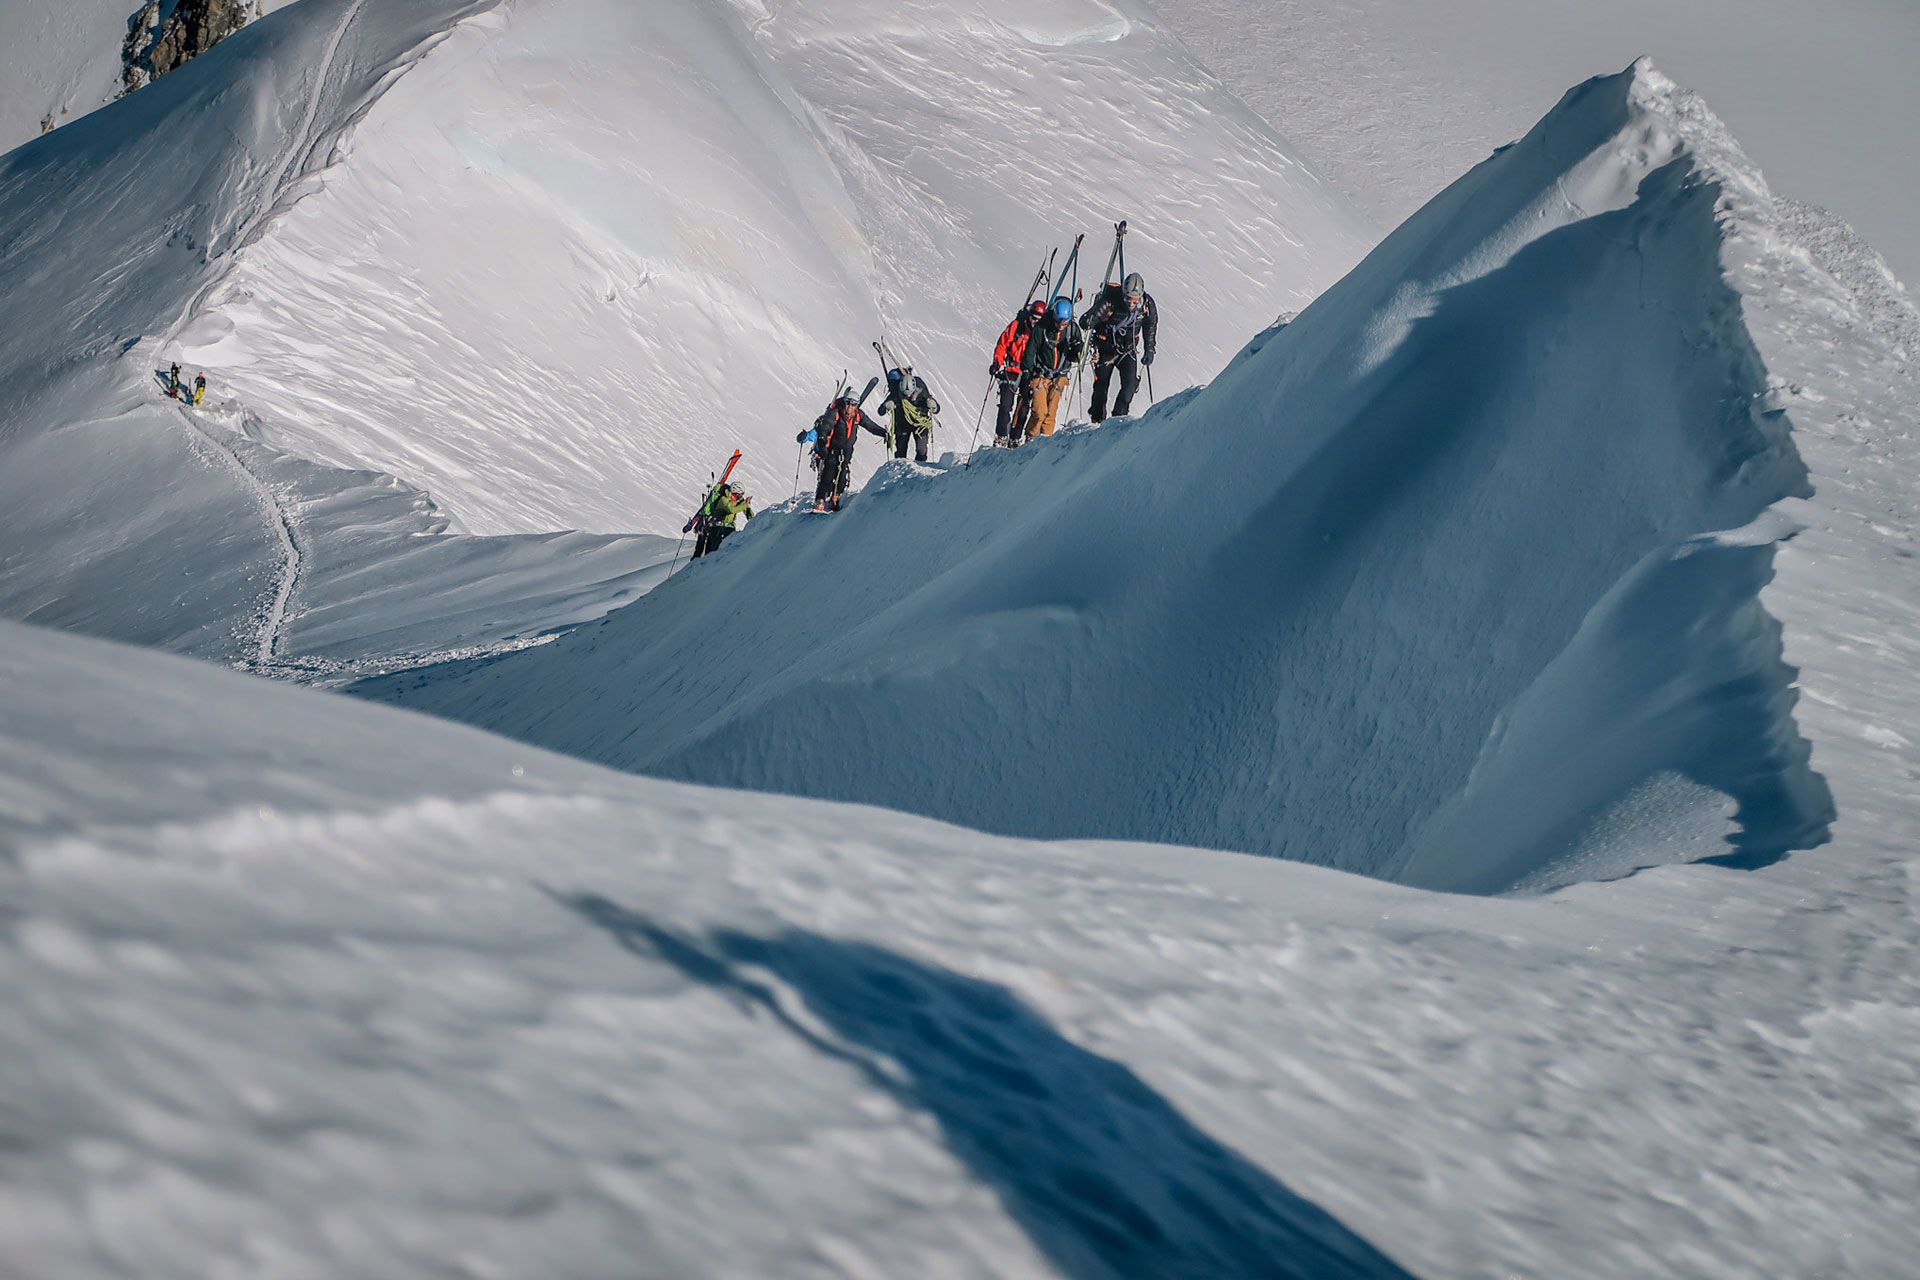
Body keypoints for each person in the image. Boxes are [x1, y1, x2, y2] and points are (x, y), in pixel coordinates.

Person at [1080, 271, 1157, 423]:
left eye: (1135, 301)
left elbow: (1150, 325)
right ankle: (1097, 420)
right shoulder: (1110, 301)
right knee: (1101, 388)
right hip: (1106, 349)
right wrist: (1092, 317)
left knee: (1129, 388)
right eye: (1128, 300)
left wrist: (1150, 349)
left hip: (1127, 350)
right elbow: (1086, 321)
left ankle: (1118, 420)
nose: (1131, 304)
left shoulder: (1147, 305)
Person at [802, 388, 885, 511]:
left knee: (842, 477)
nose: (850, 407)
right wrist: (823, 445)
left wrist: (883, 433)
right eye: (849, 404)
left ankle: (835, 498)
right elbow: (824, 430)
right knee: (827, 475)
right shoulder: (834, 413)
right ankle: (820, 499)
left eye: (853, 405)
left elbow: (870, 425)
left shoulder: (858, 416)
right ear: (845, 403)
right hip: (832, 451)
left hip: (846, 453)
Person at [1019, 296, 1084, 440]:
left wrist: (1078, 352)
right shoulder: (1042, 328)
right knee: (1039, 411)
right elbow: (1031, 350)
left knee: (1051, 412)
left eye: (1064, 322)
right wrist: (1027, 373)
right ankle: (1030, 436)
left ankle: (1045, 440)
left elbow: (1078, 349)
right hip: (1040, 374)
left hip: (1059, 376)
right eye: (1059, 322)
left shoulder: (1072, 329)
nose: (1061, 325)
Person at [990, 300, 1043, 445]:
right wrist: (997, 362)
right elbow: (1002, 344)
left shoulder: (1040, 333)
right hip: (1011, 370)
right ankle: (1001, 436)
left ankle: (1015, 437)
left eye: (1039, 320)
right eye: (1034, 318)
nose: (1035, 323)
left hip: (1028, 373)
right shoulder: (1016, 326)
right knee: (1006, 405)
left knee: (1024, 406)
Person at [875, 366, 939, 463]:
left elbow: (936, 408)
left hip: (920, 425)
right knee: (901, 452)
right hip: (902, 423)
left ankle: (919, 468)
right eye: (905, 394)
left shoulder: (921, 392)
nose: (907, 396)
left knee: (922, 451)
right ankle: (901, 470)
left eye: (909, 393)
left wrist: (933, 406)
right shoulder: (896, 393)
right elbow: (880, 411)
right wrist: (887, 405)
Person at [690, 482, 752, 558]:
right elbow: (732, 509)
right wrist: (745, 503)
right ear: (734, 492)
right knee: (713, 551)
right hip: (716, 527)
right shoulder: (724, 499)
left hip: (728, 527)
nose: (741, 496)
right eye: (740, 494)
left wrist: (754, 519)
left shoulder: (738, 499)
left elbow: (745, 509)